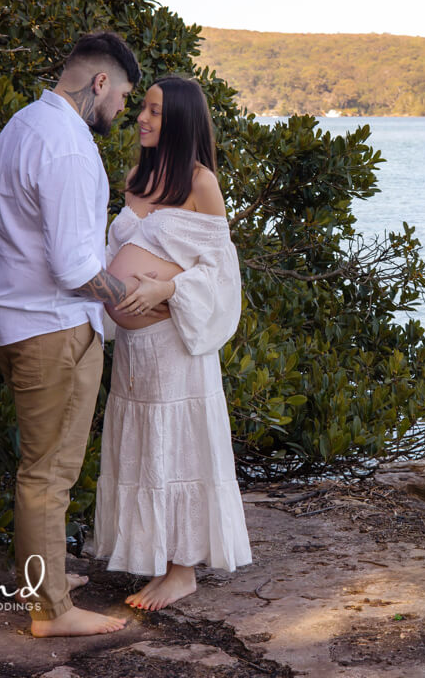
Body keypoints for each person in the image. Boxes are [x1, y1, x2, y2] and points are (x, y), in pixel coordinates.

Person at [0, 31, 147, 637]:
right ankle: (51, 611)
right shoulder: (71, 148)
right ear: (100, 83)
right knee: (48, 474)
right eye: (124, 94)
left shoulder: (24, 123)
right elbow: (77, 270)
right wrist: (138, 299)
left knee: (40, 466)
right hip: (50, 327)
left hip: (11, 318)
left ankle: (43, 578)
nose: (124, 108)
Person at [93, 74, 251, 610]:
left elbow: (222, 272)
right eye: (142, 107)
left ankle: (182, 572)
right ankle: (160, 561)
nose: (141, 116)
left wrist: (167, 287)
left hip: (174, 345)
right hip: (134, 352)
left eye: (155, 111)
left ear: (179, 119)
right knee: (144, 450)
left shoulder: (201, 182)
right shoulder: (136, 176)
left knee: (178, 447)